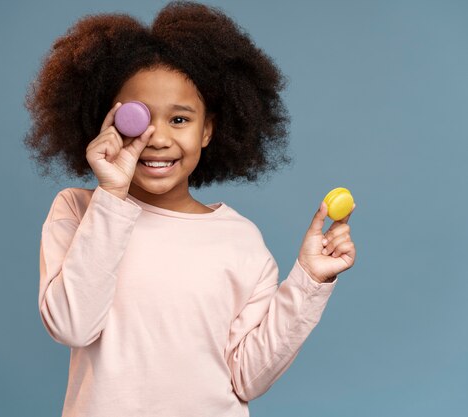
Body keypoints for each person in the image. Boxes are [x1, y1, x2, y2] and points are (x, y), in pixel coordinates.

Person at [23, 1, 357, 416]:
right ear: (107, 121)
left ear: (208, 129)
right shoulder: (78, 210)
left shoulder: (240, 239)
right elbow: (73, 325)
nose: (158, 138)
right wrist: (111, 194)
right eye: (138, 117)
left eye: (179, 120)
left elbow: (248, 378)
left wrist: (308, 281)